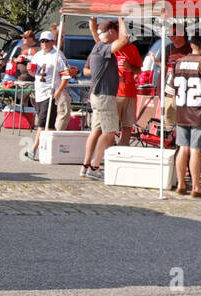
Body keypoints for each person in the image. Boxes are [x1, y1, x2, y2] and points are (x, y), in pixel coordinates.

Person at [167, 34, 201, 198]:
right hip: (199, 113)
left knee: (182, 148)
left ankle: (181, 184)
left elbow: (169, 91)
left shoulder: (178, 63)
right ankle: (196, 187)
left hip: (182, 111)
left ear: (191, 45)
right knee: (196, 150)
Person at [80, 19, 130, 179]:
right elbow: (124, 40)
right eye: (115, 31)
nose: (117, 34)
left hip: (97, 95)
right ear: (110, 32)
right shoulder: (103, 48)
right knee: (109, 132)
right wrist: (122, 20)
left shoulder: (97, 46)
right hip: (104, 96)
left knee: (96, 131)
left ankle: (85, 166)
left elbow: (97, 35)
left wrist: (92, 25)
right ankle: (94, 167)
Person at [26, 31, 68, 159]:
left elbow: (66, 75)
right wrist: (30, 70)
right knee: (48, 125)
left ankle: (33, 149)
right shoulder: (38, 55)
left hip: (50, 93)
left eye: (46, 41)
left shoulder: (57, 56)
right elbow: (35, 74)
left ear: (52, 42)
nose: (43, 43)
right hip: (39, 91)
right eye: (42, 41)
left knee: (42, 123)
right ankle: (57, 148)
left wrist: (58, 91)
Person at [112, 25, 143, 146]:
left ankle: (123, 149)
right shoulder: (111, 48)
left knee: (127, 125)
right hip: (114, 93)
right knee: (111, 126)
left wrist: (130, 67)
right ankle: (109, 151)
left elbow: (139, 70)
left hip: (130, 92)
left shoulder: (132, 48)